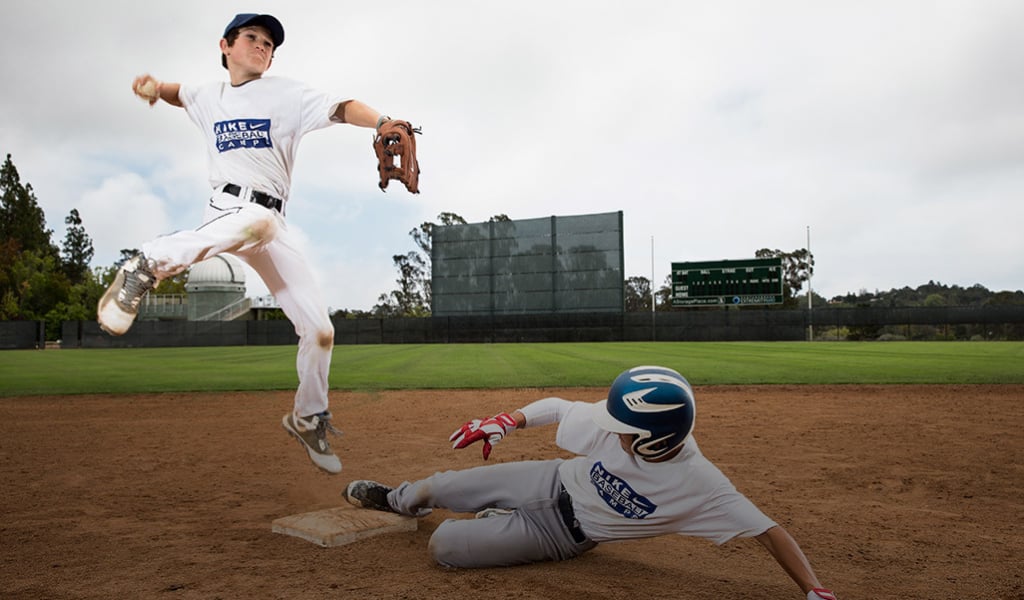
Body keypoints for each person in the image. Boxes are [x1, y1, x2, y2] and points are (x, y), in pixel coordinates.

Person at [98, 13, 411, 475]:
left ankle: (307, 416)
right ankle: (148, 263)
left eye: (268, 43)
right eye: (252, 38)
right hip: (230, 210)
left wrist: (382, 120)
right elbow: (176, 93)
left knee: (320, 330)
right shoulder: (208, 94)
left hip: (271, 223)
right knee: (257, 223)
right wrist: (154, 87)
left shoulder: (287, 93)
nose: (262, 46)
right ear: (225, 45)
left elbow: (342, 106)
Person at [344, 365, 838, 599]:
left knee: (446, 546)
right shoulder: (620, 428)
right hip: (548, 479)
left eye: (624, 428)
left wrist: (813, 589)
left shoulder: (702, 486)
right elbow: (558, 407)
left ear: (654, 440)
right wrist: (507, 420)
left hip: (561, 538)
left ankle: (497, 521)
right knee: (440, 487)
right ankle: (396, 499)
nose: (611, 428)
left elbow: (767, 530)